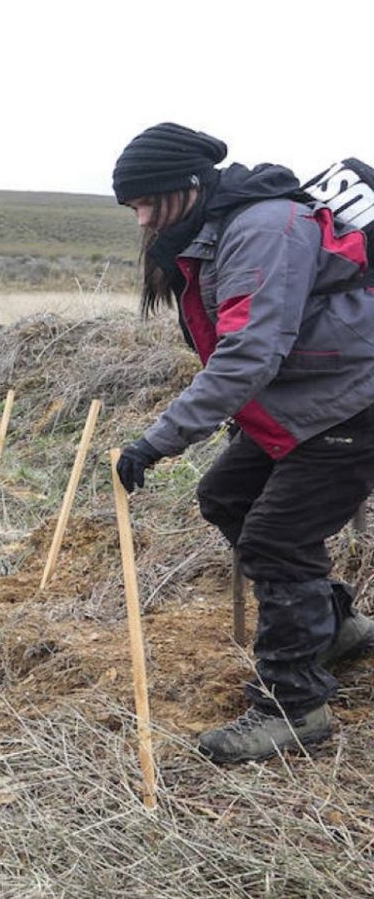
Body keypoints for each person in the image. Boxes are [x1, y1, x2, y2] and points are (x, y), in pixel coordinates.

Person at [111, 122, 374, 764]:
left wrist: (158, 440)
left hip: (356, 397)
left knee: (275, 538)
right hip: (307, 394)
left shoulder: (262, 228)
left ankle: (292, 706)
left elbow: (249, 351)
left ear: (188, 187)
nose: (141, 216)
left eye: (147, 200)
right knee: (225, 495)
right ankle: (332, 627)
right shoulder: (212, 229)